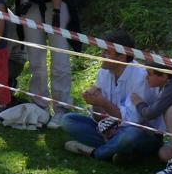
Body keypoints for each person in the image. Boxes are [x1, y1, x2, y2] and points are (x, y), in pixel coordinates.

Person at [60, 31, 164, 161]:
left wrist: (103, 102)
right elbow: (98, 119)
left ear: (121, 57)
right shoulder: (104, 72)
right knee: (68, 120)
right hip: (111, 130)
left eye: (106, 52)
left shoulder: (141, 77)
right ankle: (121, 151)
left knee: (131, 135)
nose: (101, 55)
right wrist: (96, 103)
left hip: (143, 135)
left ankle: (96, 153)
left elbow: (131, 121)